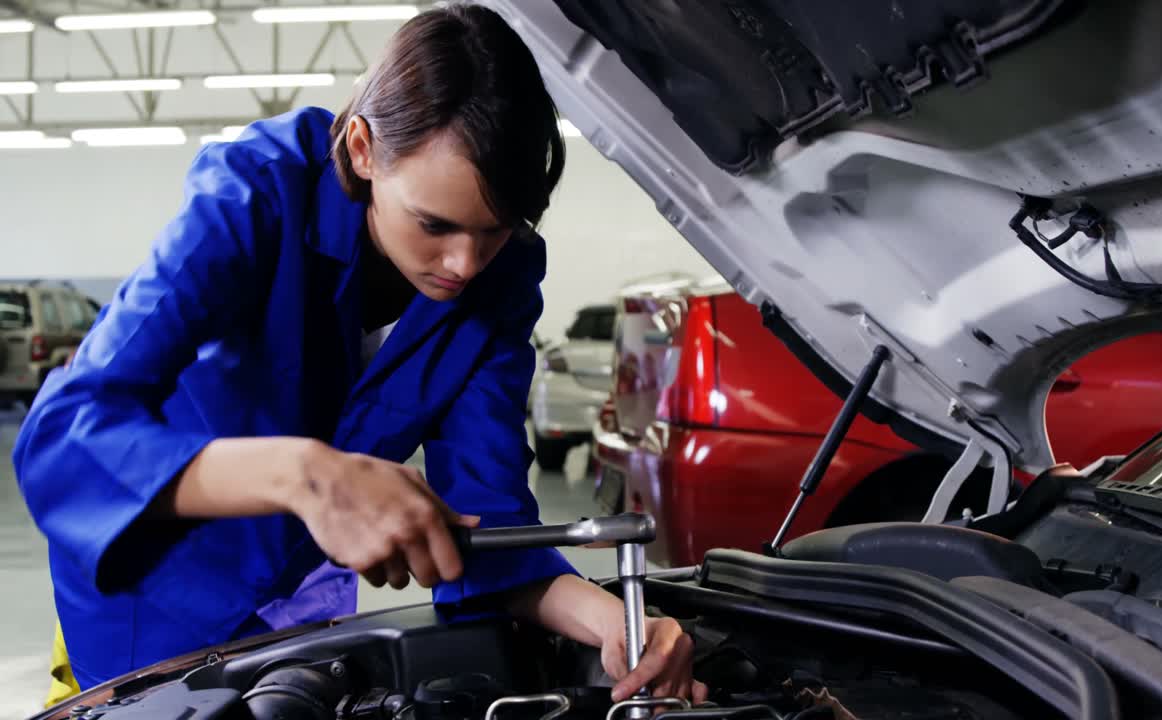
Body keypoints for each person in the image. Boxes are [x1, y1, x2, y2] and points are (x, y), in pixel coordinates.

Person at [15, 3, 706, 704]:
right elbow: (60, 443)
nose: (464, 265)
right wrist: (304, 475)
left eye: (495, 230)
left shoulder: (503, 281)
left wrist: (614, 621)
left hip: (294, 611)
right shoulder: (256, 193)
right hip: (143, 608)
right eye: (434, 224)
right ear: (362, 149)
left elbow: (488, 522)